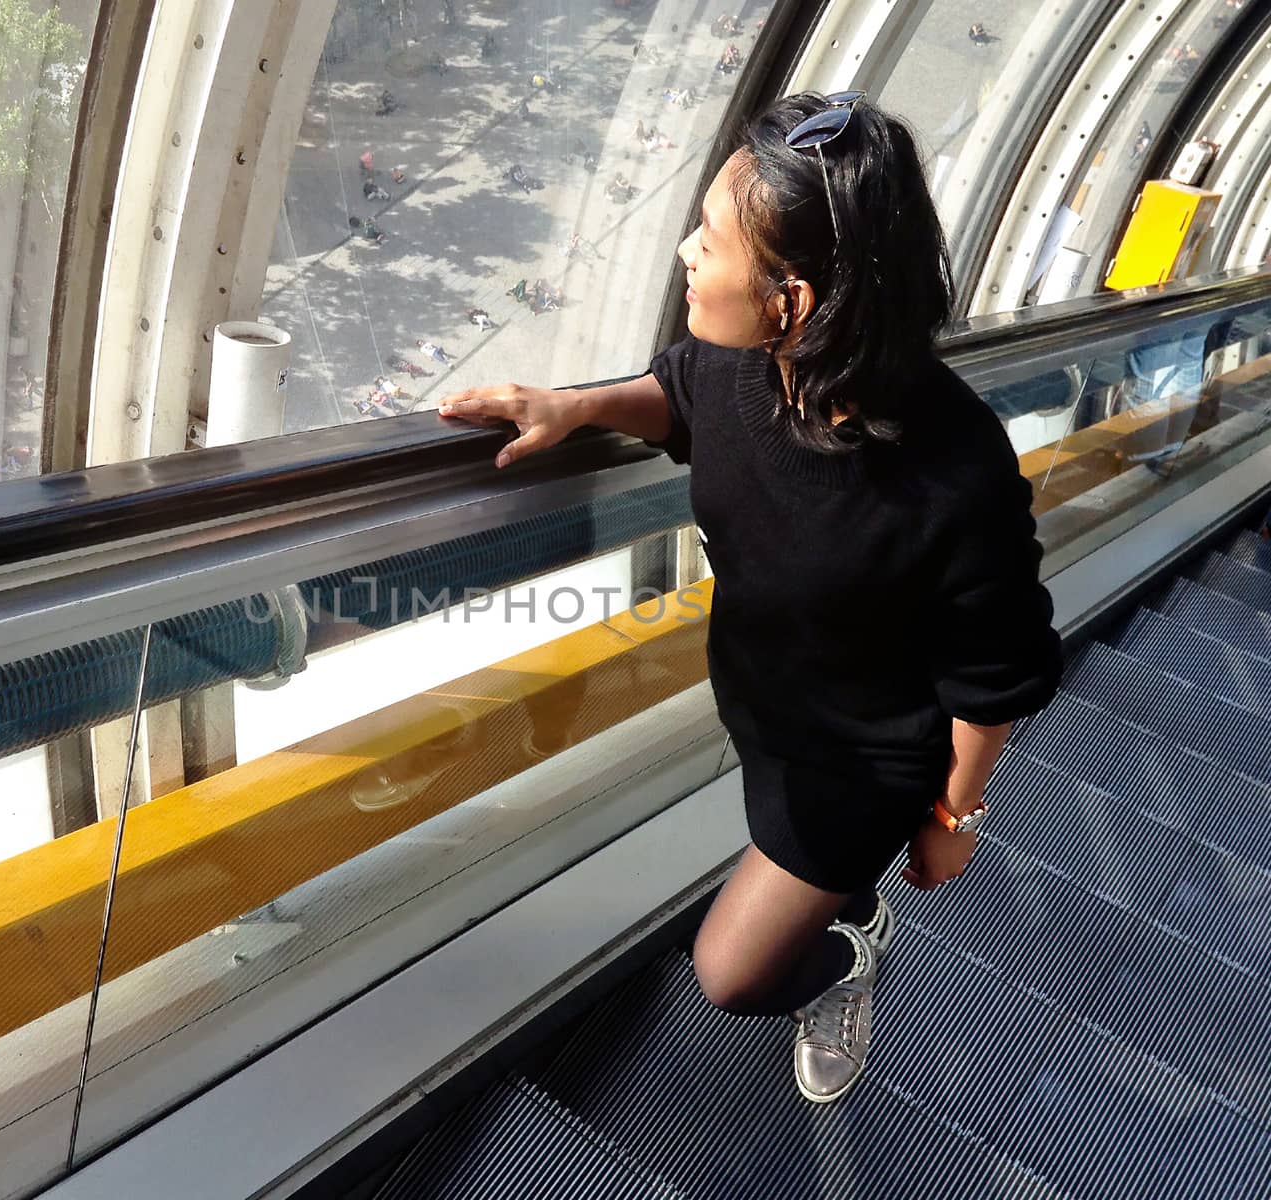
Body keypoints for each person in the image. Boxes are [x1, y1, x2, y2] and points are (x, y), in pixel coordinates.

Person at [431, 93, 1062, 1105]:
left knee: (733, 973)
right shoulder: (743, 369)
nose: (685, 249)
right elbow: (677, 396)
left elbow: (994, 675)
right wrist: (575, 406)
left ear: (793, 300)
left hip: (865, 762)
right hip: (769, 713)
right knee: (803, 884)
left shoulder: (951, 472)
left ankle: (838, 970)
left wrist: (954, 813)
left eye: (712, 239)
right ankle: (837, 904)